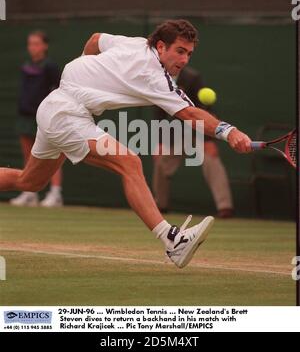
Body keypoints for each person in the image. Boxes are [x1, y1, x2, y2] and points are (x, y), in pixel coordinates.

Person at [0, 20, 252, 269]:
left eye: (189, 53)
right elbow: (190, 114)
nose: (185, 60)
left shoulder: (135, 44)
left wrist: (83, 67)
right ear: (161, 47)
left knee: (29, 182)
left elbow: (95, 39)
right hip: (65, 113)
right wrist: (229, 131)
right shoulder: (154, 76)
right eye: (180, 51)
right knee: (129, 162)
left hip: (57, 106)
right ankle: (172, 240)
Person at [152, 66, 234, 218]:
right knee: (161, 161)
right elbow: (159, 113)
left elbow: (206, 109)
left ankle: (225, 207)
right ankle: (160, 205)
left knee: (212, 160)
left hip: (197, 131)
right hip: (174, 132)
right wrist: (160, 141)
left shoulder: (192, 78)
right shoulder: (158, 79)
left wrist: (208, 139)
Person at [10, 30, 63, 207]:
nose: (33, 47)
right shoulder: (25, 66)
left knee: (52, 156)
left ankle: (55, 194)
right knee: (29, 156)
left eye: (36, 43)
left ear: (45, 46)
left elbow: (58, 89)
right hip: (25, 115)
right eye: (30, 43)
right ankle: (29, 193)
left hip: (45, 117)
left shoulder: (50, 67)